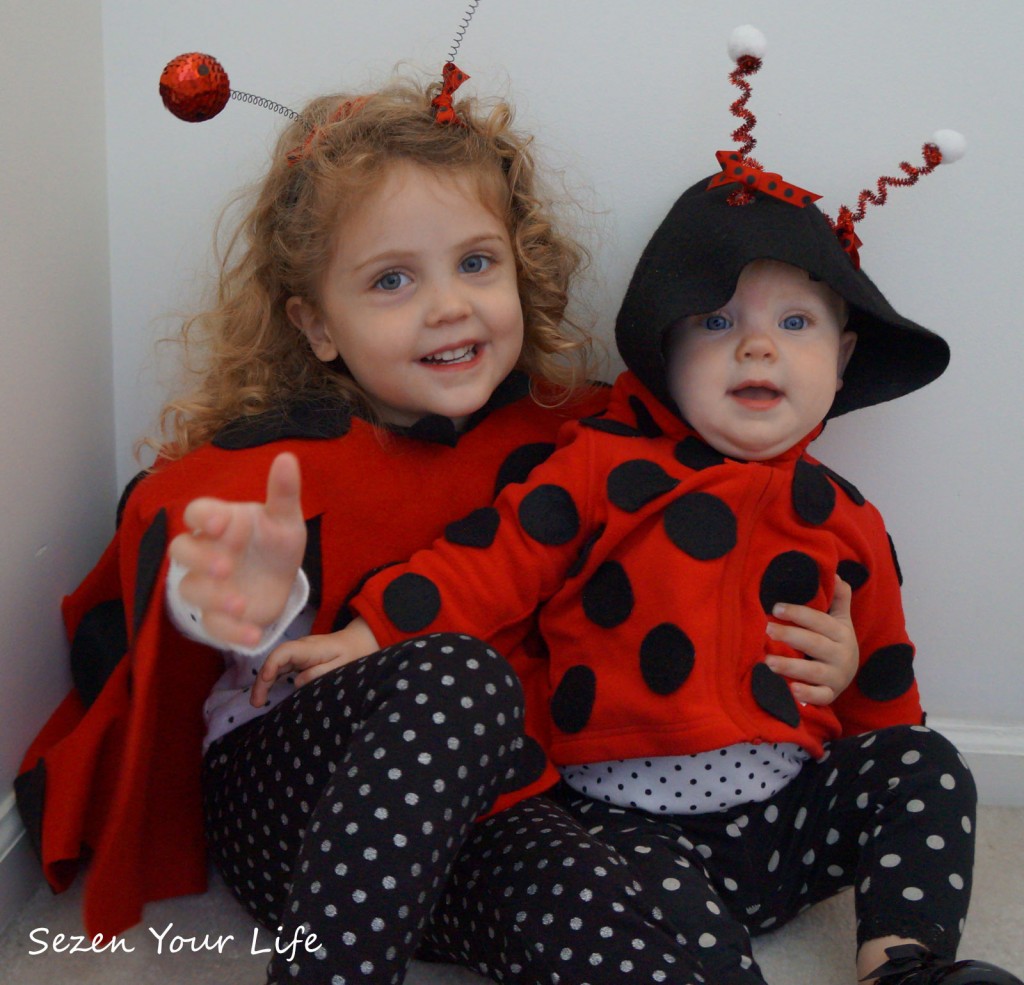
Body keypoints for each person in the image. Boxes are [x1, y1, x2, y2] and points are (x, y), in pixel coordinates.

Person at [18, 70, 856, 985]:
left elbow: (700, 530)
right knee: (463, 673)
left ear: (519, 267)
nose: (448, 304)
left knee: (637, 920)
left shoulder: (572, 441)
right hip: (293, 805)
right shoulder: (285, 462)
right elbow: (184, 560)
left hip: (494, 809)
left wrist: (833, 642)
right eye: (390, 279)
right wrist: (246, 606)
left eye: (475, 262)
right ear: (318, 324)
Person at [251, 40, 1024, 985]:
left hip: (783, 815)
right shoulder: (599, 466)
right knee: (668, 945)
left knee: (928, 763)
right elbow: (488, 563)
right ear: (663, 345)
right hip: (625, 825)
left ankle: (900, 962)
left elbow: (884, 686)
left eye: (794, 325)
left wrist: (854, 670)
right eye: (717, 322)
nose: (757, 353)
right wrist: (370, 630)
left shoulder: (848, 518)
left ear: (844, 356)